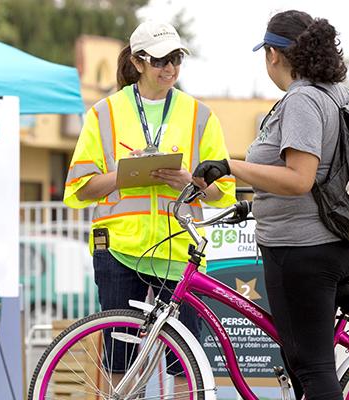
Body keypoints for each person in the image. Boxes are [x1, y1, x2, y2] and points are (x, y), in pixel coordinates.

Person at [193, 10, 349, 400]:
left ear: (272, 54)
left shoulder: (303, 100)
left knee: (313, 369)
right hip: (337, 243)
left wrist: (231, 166)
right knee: (302, 365)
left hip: (303, 250)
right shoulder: (339, 94)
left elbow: (300, 178)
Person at [64, 19, 236, 385]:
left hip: (177, 250)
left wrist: (189, 180)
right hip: (118, 249)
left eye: (175, 58)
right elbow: (80, 187)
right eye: (160, 60)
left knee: (185, 361)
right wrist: (127, 173)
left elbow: (224, 190)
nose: (170, 68)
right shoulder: (104, 113)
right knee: (119, 360)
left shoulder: (201, 115)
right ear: (139, 61)